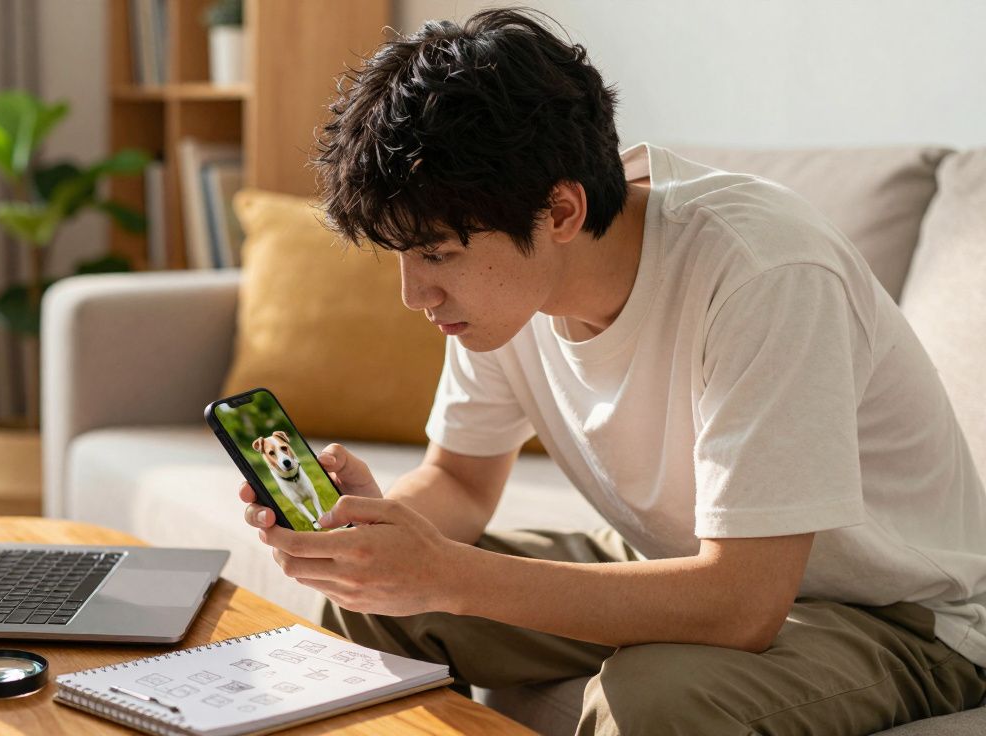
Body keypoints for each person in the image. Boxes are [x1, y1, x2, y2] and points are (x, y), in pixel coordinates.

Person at [233, 7, 986, 735]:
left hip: (893, 615)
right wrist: (379, 536)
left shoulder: (763, 272)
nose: (414, 294)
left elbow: (742, 604)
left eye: (435, 253)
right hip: (675, 557)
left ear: (560, 212)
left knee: (655, 699)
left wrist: (446, 575)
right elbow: (461, 481)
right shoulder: (502, 296)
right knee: (374, 602)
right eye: (400, 257)